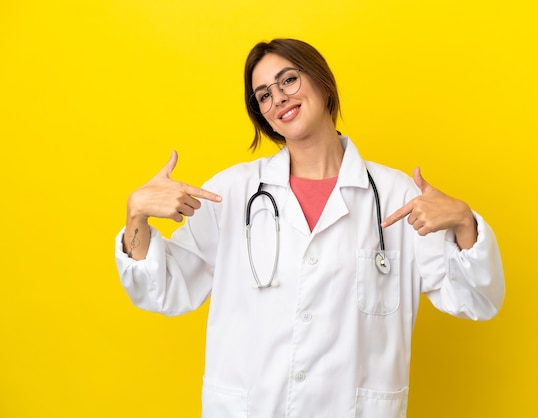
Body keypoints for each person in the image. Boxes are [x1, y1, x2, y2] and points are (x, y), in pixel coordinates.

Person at [115, 38, 505, 418]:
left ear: (323, 81)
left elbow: (475, 300)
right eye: (263, 95)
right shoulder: (232, 193)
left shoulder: (395, 195)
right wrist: (137, 217)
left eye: (288, 80)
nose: (278, 98)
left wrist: (465, 224)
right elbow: (163, 290)